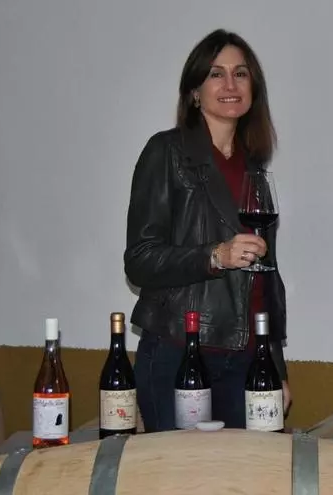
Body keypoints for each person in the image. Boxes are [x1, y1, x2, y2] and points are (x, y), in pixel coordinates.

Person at [124, 29, 291, 432]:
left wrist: (276, 366)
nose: (230, 85)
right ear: (195, 92)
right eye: (216, 74)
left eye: (241, 74)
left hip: (247, 358)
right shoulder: (167, 152)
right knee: (179, 470)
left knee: (247, 470)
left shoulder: (253, 166)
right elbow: (139, 260)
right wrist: (215, 255)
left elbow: (263, 279)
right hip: (180, 352)